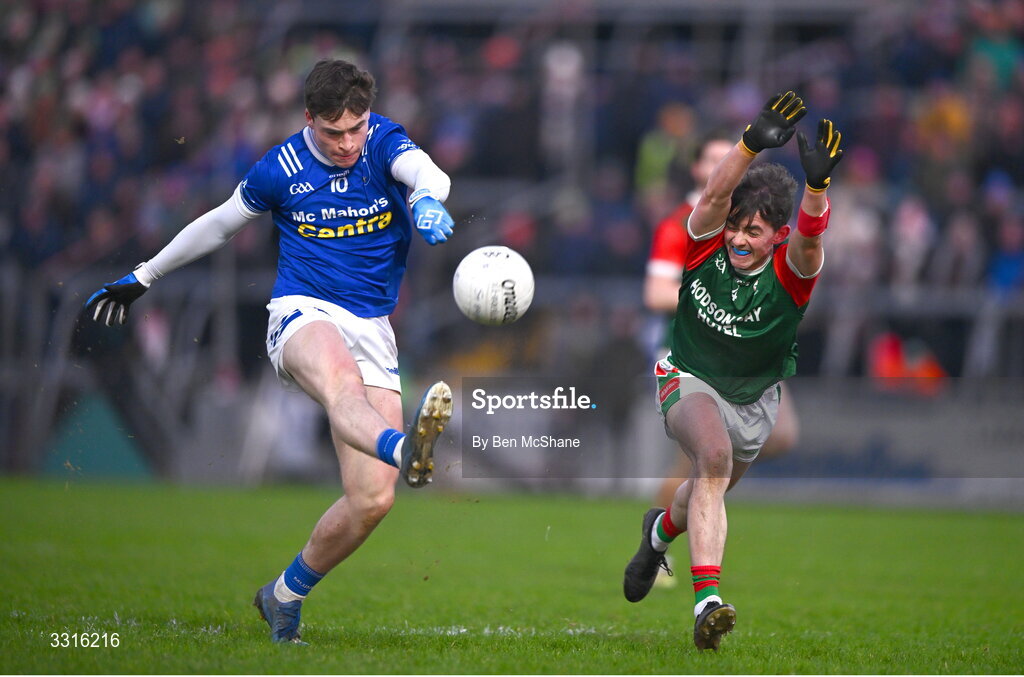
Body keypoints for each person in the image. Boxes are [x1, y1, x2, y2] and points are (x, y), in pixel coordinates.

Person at [85, 59, 456, 644]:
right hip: (302, 313)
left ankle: (283, 595)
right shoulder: (279, 167)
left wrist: (430, 199)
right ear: (309, 119)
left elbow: (428, 171)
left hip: (373, 328)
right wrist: (144, 275)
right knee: (341, 386)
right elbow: (219, 224)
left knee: (372, 500)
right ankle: (406, 445)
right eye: (333, 133)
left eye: (355, 128)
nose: (347, 143)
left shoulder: (383, 140)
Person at [622, 91, 843, 650]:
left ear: (777, 236)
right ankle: (707, 605)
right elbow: (717, 193)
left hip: (754, 401)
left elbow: (813, 239)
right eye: (736, 229)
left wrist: (817, 190)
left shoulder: (795, 274)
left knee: (702, 490)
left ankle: (657, 534)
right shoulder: (701, 245)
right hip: (688, 378)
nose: (740, 240)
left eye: (755, 232)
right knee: (713, 459)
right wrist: (748, 143)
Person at [643, 131, 802, 589]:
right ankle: (670, 561)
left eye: (726, 157)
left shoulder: (757, 228)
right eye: (714, 158)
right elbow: (655, 293)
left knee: (773, 438)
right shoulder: (687, 224)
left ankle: (662, 529)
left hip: (747, 364)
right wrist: (718, 308)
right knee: (711, 456)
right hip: (692, 357)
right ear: (698, 168)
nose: (723, 165)